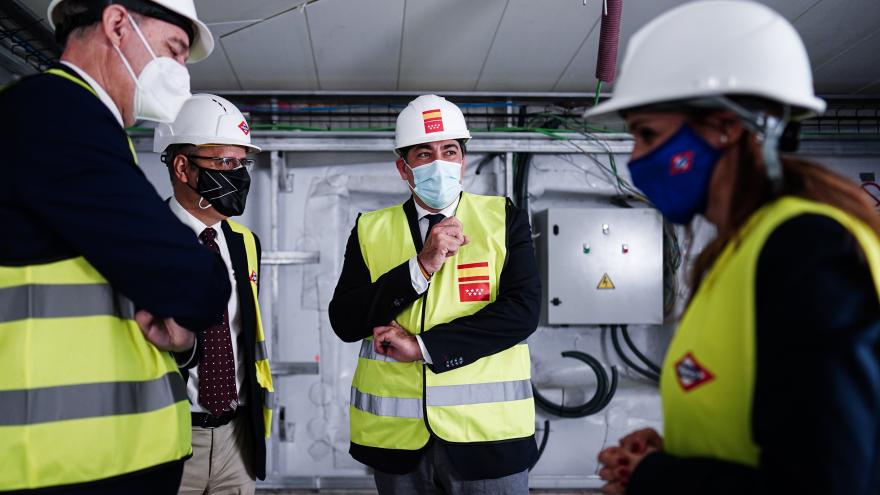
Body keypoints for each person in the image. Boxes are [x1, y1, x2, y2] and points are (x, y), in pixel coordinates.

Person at [585, 2, 880, 494]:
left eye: (647, 134)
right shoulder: (737, 251)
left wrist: (658, 479)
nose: (635, 158)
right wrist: (673, 455)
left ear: (724, 126)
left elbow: (829, 479)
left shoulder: (805, 249)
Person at [0, 1, 230, 494]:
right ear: (118, 24)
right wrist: (198, 287)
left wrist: (183, 340)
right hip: (59, 464)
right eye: (174, 51)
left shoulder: (87, 126)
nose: (180, 74)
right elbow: (193, 281)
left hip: (93, 459)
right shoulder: (55, 114)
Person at [329, 94, 542, 494]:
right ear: (404, 168)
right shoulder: (369, 229)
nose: (440, 162)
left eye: (450, 151)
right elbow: (345, 320)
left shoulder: (503, 218)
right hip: (397, 444)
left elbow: (523, 312)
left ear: (462, 160)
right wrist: (420, 266)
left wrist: (424, 347)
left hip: (488, 440)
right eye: (424, 153)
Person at [153, 93, 275, 495]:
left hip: (237, 439)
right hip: (165, 437)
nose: (238, 174)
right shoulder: (143, 240)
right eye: (224, 162)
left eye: (242, 163)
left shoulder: (245, 242)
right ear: (183, 167)